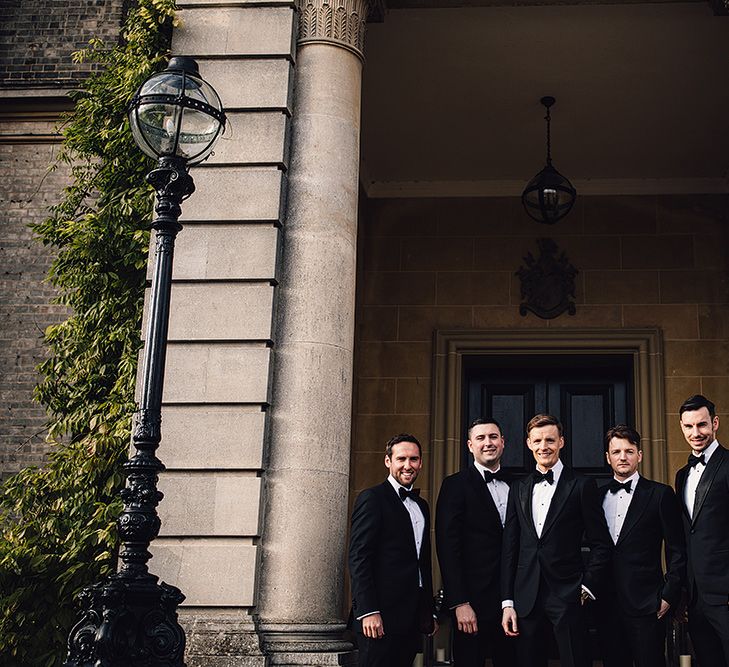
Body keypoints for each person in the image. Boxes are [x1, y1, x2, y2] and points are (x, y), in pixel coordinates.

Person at [501, 413, 612, 667]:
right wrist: (507, 601)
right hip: (525, 597)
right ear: (528, 443)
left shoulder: (582, 485)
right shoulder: (518, 488)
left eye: (550, 440)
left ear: (561, 442)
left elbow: (601, 543)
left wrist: (587, 587)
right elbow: (511, 547)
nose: (544, 447)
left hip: (568, 595)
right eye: (537, 441)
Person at [595, 424, 685, 667]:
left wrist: (669, 595)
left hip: (648, 604)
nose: (622, 457)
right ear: (607, 457)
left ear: (640, 455)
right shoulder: (595, 496)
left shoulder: (660, 494)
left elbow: (677, 549)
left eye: (629, 451)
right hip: (606, 604)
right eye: (616, 452)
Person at [348, 433, 438, 667]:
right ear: (388, 461)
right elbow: (359, 558)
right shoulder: (372, 498)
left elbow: (422, 563)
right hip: (378, 617)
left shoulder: (422, 506)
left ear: (420, 462)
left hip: (411, 618)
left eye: (414, 459)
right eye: (401, 459)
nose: (408, 466)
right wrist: (368, 610)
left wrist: (428, 611)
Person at [435, 418, 515, 667]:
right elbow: (448, 547)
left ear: (503, 442)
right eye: (480, 438)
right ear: (470, 446)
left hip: (514, 602)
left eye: (493, 437)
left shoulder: (520, 485)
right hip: (472, 603)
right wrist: (459, 602)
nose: (488, 443)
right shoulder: (454, 485)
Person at [674, 394, 729, 667]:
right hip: (696, 598)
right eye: (688, 426)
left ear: (715, 423)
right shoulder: (681, 475)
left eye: (702, 425)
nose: (696, 433)